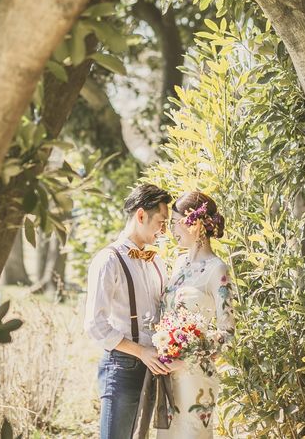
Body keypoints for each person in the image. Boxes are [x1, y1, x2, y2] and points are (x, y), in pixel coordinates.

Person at [84, 183, 176, 439]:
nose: (164, 230)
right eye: (161, 222)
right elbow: (95, 324)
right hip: (121, 366)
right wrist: (140, 352)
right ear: (141, 215)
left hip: (153, 368)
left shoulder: (157, 262)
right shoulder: (108, 260)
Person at [157, 191, 235, 438]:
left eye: (175, 222)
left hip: (196, 376)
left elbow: (227, 332)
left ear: (195, 223)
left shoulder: (217, 269)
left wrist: (188, 355)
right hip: (168, 373)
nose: (171, 229)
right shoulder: (179, 263)